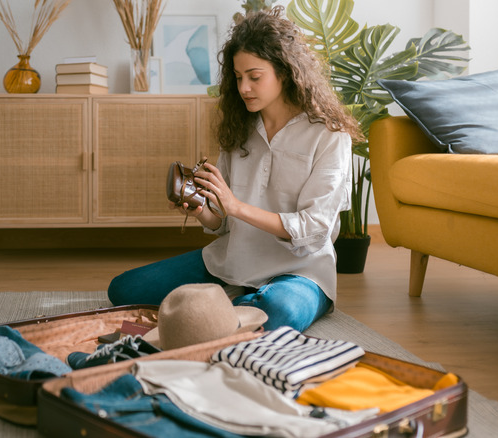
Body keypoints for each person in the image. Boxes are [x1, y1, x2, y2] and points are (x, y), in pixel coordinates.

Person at [107, 6, 364, 332]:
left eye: (255, 77)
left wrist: (237, 206)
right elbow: (222, 222)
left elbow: (314, 229)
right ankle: (230, 309)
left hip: (299, 271)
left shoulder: (329, 136)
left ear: (284, 72)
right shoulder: (239, 130)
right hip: (232, 261)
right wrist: (201, 207)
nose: (244, 88)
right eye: (238, 77)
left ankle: (214, 314)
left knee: (278, 310)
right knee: (124, 289)